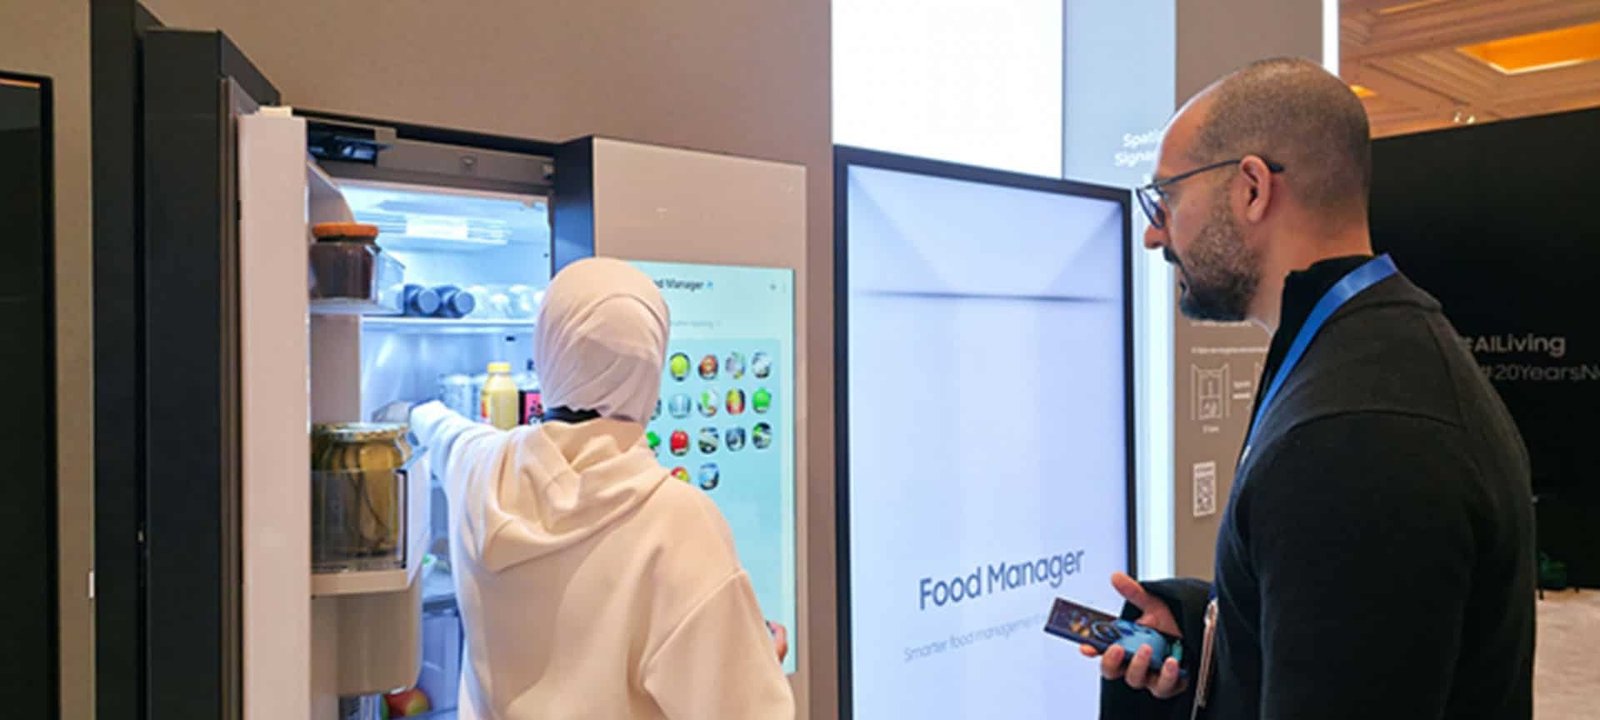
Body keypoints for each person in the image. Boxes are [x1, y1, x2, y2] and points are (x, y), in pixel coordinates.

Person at [1084, 58, 1535, 719]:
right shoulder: (1370, 354)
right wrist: (1213, 631)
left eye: (1167, 198)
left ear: (1252, 189)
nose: (1156, 233)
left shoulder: (1356, 436)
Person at [404, 257, 794, 719]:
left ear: (548, 349)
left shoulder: (483, 466)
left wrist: (404, 413)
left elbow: (439, 427)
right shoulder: (678, 522)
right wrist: (756, 660)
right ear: (653, 365)